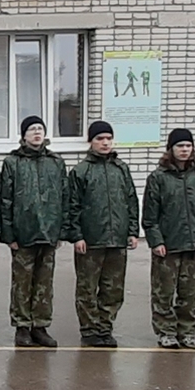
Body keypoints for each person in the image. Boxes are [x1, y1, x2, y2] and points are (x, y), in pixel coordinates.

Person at [0, 115, 69, 347]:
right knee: (22, 282)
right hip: (23, 233)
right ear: (24, 135)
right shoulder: (13, 163)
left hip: (49, 232)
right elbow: (5, 199)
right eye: (32, 129)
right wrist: (8, 234)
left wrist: (61, 231)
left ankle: (40, 326)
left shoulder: (56, 162)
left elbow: (64, 196)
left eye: (40, 129)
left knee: (44, 283)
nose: (37, 132)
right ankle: (22, 327)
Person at [65, 120, 139, 348]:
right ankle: (89, 330)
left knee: (113, 288)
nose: (105, 143)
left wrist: (132, 231)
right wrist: (77, 235)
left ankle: (105, 328)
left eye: (108, 138)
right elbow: (72, 205)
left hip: (117, 239)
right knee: (87, 288)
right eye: (100, 139)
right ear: (91, 142)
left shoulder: (121, 168)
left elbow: (131, 200)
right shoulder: (81, 171)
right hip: (91, 240)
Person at [143, 128, 195, 350]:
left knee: (189, 292)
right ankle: (165, 332)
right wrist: (156, 241)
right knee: (164, 291)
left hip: (193, 244)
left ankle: (187, 332)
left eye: (188, 146)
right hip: (169, 245)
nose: (184, 150)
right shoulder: (158, 178)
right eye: (180, 146)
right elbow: (150, 215)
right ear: (171, 149)